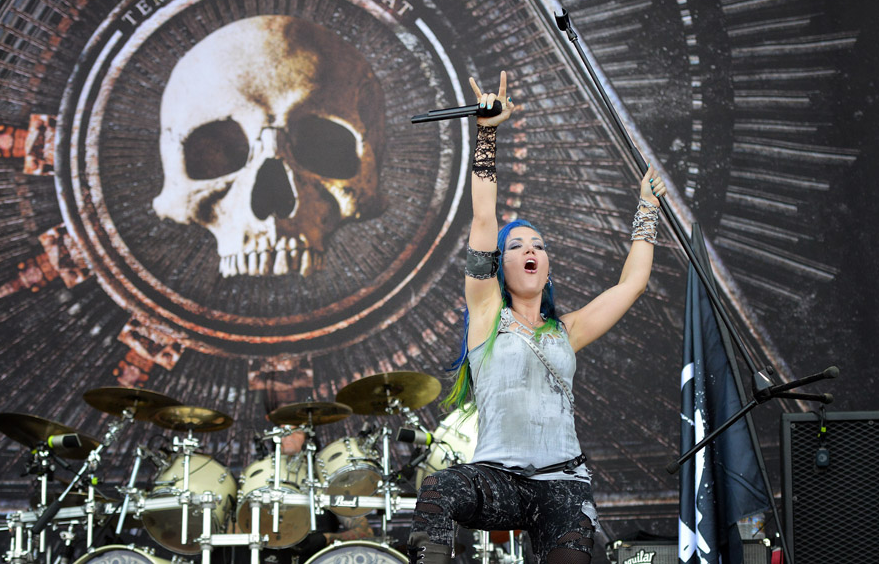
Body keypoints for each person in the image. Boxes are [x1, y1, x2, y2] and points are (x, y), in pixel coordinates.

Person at [407, 71, 665, 564]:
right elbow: (484, 219)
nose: (530, 250)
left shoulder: (567, 331)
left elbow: (630, 285)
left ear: (546, 269)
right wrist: (487, 133)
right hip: (498, 480)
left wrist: (647, 208)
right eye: (518, 245)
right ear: (500, 267)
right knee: (438, 488)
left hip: (561, 484)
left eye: (539, 246)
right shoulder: (485, 314)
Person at [218, 430, 374, 564]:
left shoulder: (324, 484)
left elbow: (365, 531)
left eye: (296, 431)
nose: (289, 435)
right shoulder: (259, 482)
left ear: (308, 440)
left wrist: (326, 538)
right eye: (283, 431)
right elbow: (234, 534)